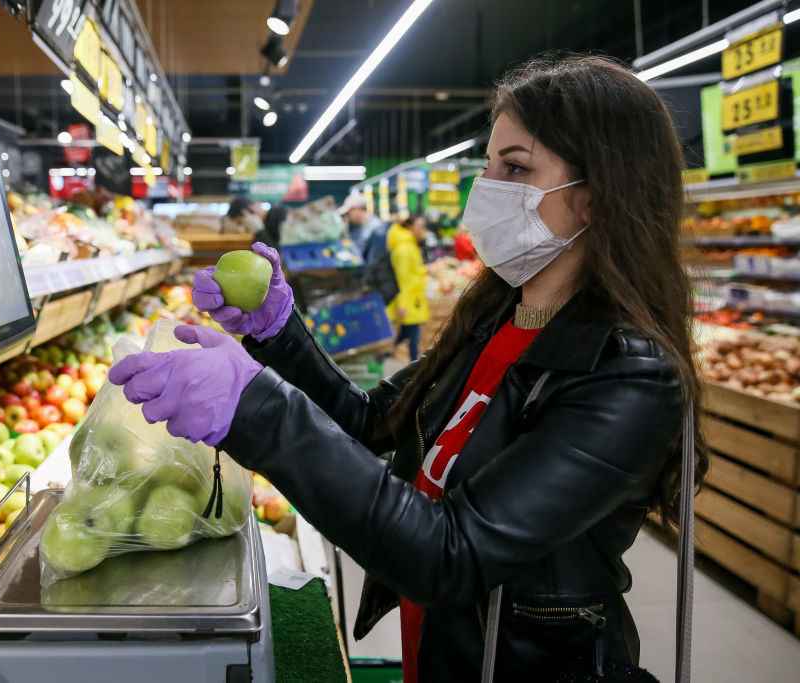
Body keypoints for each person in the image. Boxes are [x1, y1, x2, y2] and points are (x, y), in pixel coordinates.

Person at [110, 55, 706, 682]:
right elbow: (373, 422)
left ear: (595, 198)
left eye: (517, 168)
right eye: (490, 166)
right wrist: (279, 335)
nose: (489, 189)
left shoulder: (628, 375)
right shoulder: (497, 320)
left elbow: (452, 554)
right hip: (444, 651)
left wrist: (257, 407)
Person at [386, 214, 430, 361]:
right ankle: (413, 366)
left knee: (407, 334)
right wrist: (402, 304)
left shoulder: (409, 245)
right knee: (413, 336)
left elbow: (412, 272)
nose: (423, 231)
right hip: (409, 299)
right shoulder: (404, 249)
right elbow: (401, 278)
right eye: (420, 227)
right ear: (410, 227)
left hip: (413, 298)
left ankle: (385, 352)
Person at [341, 194, 388, 263]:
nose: (348, 216)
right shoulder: (359, 231)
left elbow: (374, 262)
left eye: (348, 212)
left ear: (357, 208)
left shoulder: (379, 230)